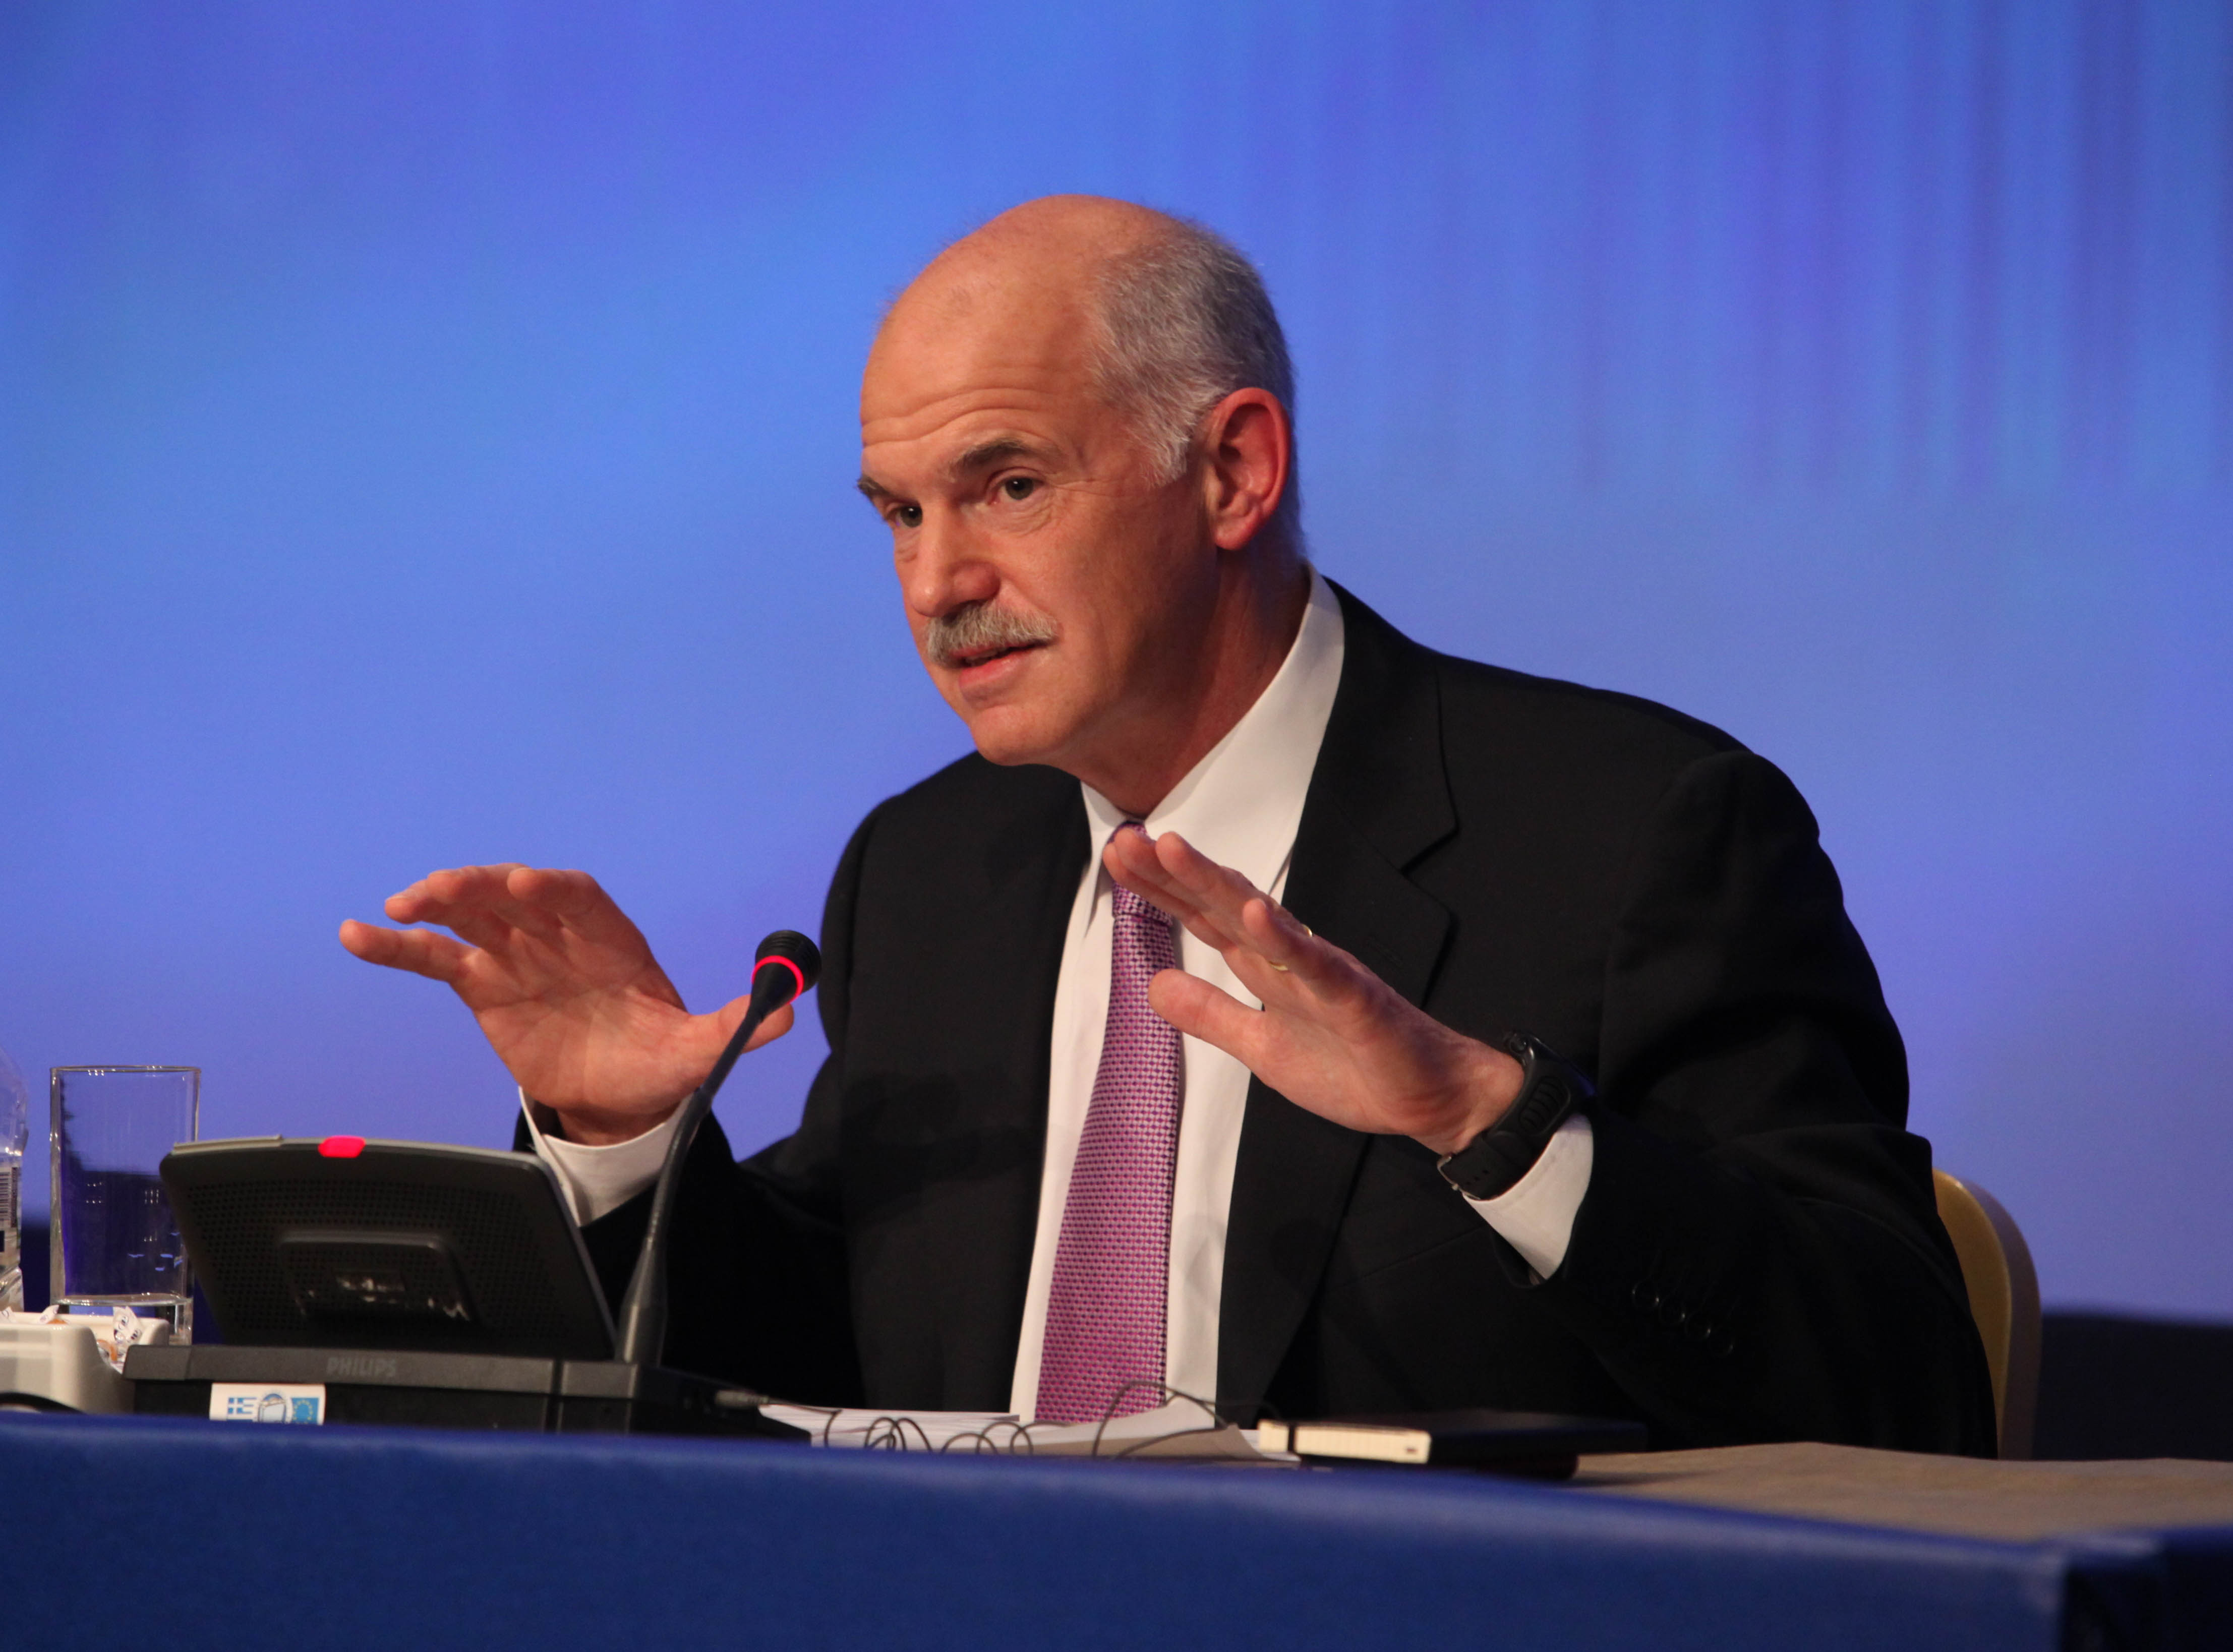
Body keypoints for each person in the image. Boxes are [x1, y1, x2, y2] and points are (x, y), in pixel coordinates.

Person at [340, 196, 1995, 1451]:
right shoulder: (929, 872)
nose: (936, 582)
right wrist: (623, 1135)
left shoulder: (1634, 837)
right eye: (899, 514)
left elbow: (1906, 1387)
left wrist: (1491, 1123)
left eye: (1007, 486)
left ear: (1232, 473)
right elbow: (829, 1358)